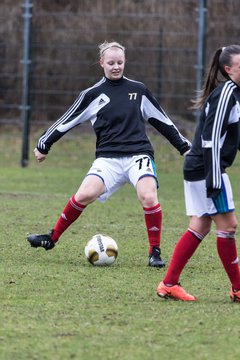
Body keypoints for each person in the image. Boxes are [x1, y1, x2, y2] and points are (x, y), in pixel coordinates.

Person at [27, 40, 191, 267]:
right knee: (84, 194)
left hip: (138, 156)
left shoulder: (138, 90)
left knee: (148, 196)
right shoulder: (92, 94)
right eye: (111, 62)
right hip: (108, 159)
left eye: (120, 62)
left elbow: (163, 121)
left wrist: (185, 148)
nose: (116, 66)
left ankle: (155, 252)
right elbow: (66, 120)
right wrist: (43, 144)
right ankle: (52, 238)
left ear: (125, 62)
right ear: (101, 63)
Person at [157, 44, 240, 300]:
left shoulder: (234, 94)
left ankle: (169, 284)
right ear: (229, 70)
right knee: (228, 225)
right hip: (207, 168)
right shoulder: (227, 93)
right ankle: (238, 288)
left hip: (200, 167)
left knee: (201, 225)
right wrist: (214, 177)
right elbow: (211, 138)